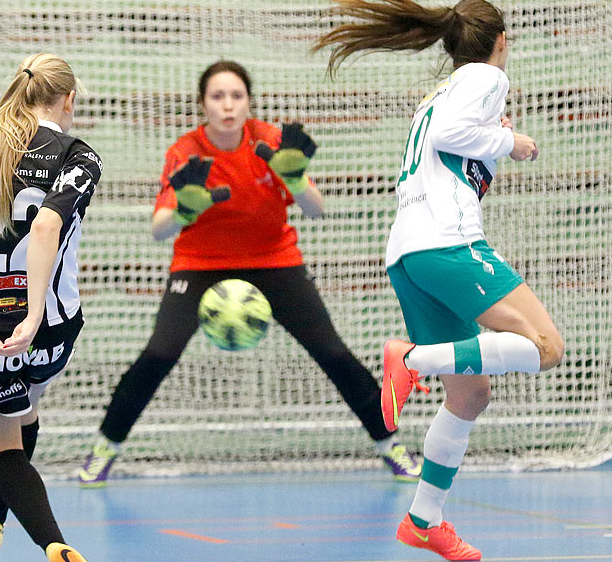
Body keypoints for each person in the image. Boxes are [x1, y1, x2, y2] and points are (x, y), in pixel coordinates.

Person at [76, 60, 420, 485]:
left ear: (249, 102)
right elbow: (158, 230)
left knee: (332, 353)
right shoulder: (185, 152)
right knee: (159, 355)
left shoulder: (270, 141)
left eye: (236, 96)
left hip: (275, 261)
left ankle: (390, 445)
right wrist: (184, 209)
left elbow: (317, 210)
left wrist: (294, 180)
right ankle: (104, 448)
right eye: (217, 97)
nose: (227, 106)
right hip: (200, 265)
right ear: (203, 104)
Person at [313, 0, 564, 562]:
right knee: (547, 347)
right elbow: (458, 137)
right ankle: (412, 359)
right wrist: (512, 142)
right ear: (501, 42)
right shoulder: (485, 78)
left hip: (409, 255)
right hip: (448, 246)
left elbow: (447, 144)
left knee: (470, 394)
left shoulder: (439, 92)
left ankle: (424, 519)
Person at [0, 54, 129, 562]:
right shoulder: (79, 156)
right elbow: (48, 222)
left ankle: (52, 544)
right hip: (49, 324)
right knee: (26, 408)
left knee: (3, 442)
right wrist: (32, 312)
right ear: (68, 99)